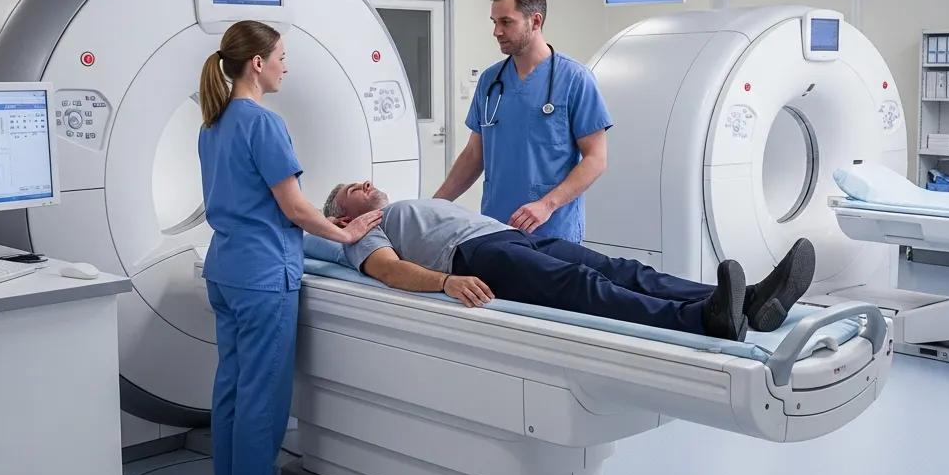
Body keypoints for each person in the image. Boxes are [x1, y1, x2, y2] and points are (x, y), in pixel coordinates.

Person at [197, 21, 382, 475]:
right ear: (257, 62)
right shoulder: (263, 123)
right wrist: (346, 235)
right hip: (262, 275)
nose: (285, 64)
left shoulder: (211, 125)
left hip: (226, 270)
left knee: (232, 388)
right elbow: (296, 208)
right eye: (280, 55)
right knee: (264, 393)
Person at [324, 181, 816, 340]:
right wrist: (445, 283)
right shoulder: (360, 233)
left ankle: (749, 303)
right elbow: (387, 271)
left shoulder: (405, 205)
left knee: (625, 271)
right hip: (476, 256)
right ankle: (701, 321)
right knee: (582, 286)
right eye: (352, 189)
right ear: (340, 212)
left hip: (505, 235)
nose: (365, 185)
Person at [434, 0, 612, 243]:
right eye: (494, 22)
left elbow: (596, 159)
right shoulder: (490, 80)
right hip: (495, 225)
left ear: (535, 21)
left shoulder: (575, 79)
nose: (497, 31)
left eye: (506, 22)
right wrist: (434, 205)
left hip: (553, 230)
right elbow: (474, 154)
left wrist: (547, 205)